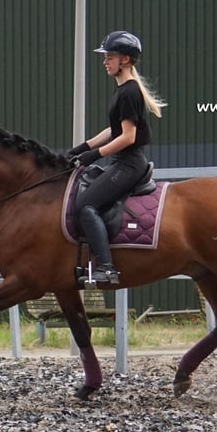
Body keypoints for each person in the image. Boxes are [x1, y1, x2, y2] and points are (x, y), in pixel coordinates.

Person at [68, 30, 166, 285]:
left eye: (109, 56)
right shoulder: (123, 91)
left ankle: (107, 269)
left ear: (125, 59)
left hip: (129, 164)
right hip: (121, 162)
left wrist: (93, 155)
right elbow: (113, 130)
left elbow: (127, 137)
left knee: (86, 208)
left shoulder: (129, 92)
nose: (105, 61)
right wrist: (81, 147)